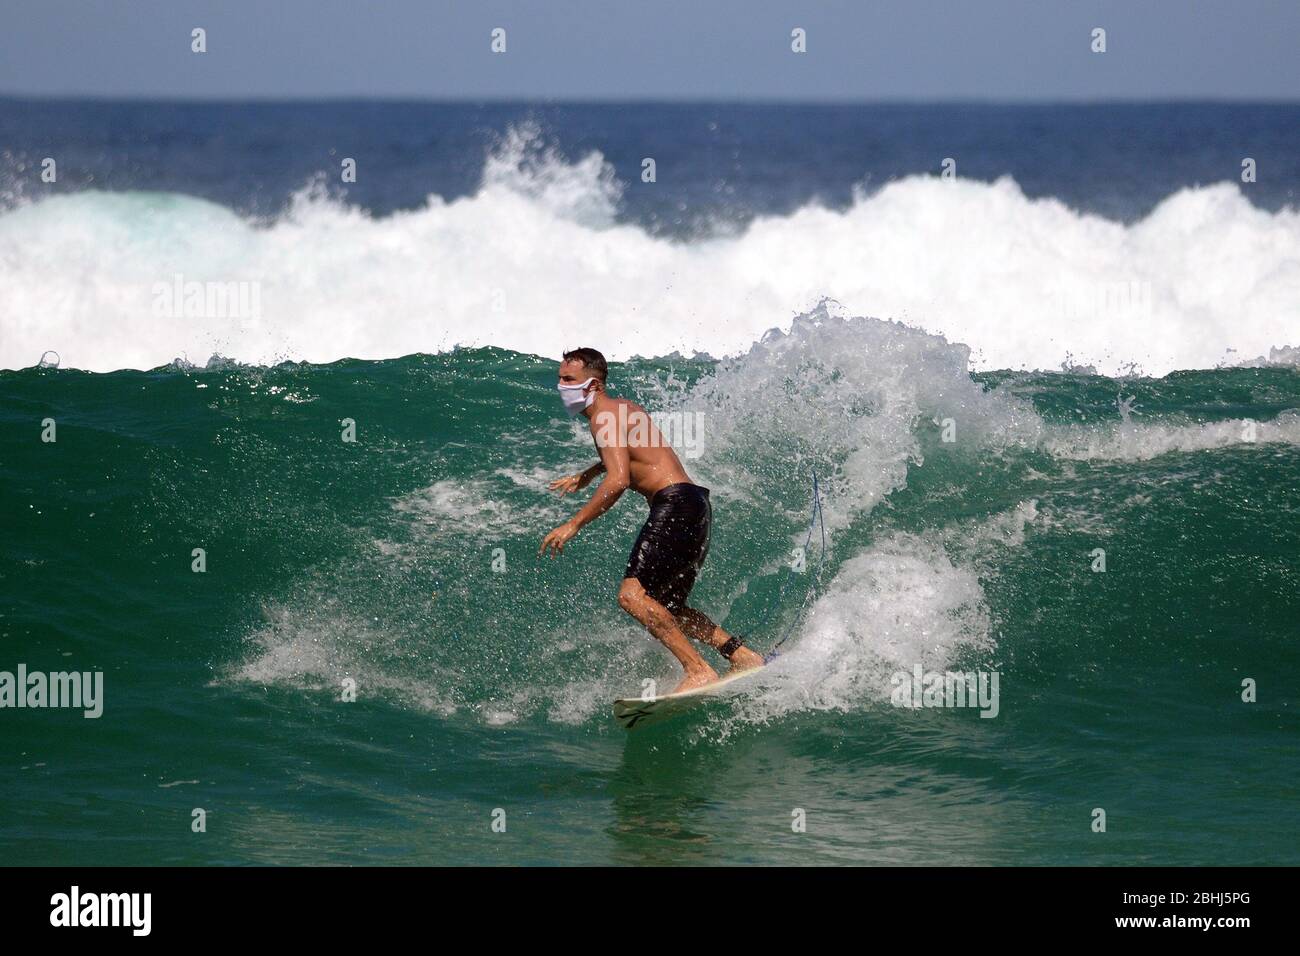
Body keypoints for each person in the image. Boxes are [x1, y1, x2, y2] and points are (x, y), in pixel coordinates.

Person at [540, 347, 764, 691]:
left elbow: (619, 480)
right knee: (667, 605)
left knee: (632, 596)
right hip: (694, 503)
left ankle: (698, 670)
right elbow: (637, 450)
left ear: (593, 385)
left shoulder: (602, 418)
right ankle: (741, 655)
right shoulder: (624, 409)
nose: (560, 386)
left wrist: (574, 524)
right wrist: (589, 472)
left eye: (568, 379)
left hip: (673, 505)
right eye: (559, 378)